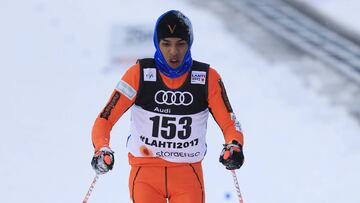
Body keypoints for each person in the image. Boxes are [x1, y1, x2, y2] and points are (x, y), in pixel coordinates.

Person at [90, 10, 245, 203]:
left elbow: (230, 123)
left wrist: (234, 145)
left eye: (181, 44)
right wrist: (101, 148)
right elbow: (105, 118)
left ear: (189, 44)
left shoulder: (207, 78)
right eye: (166, 44)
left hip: (187, 174)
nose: (173, 51)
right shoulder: (138, 74)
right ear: (157, 43)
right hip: (145, 173)